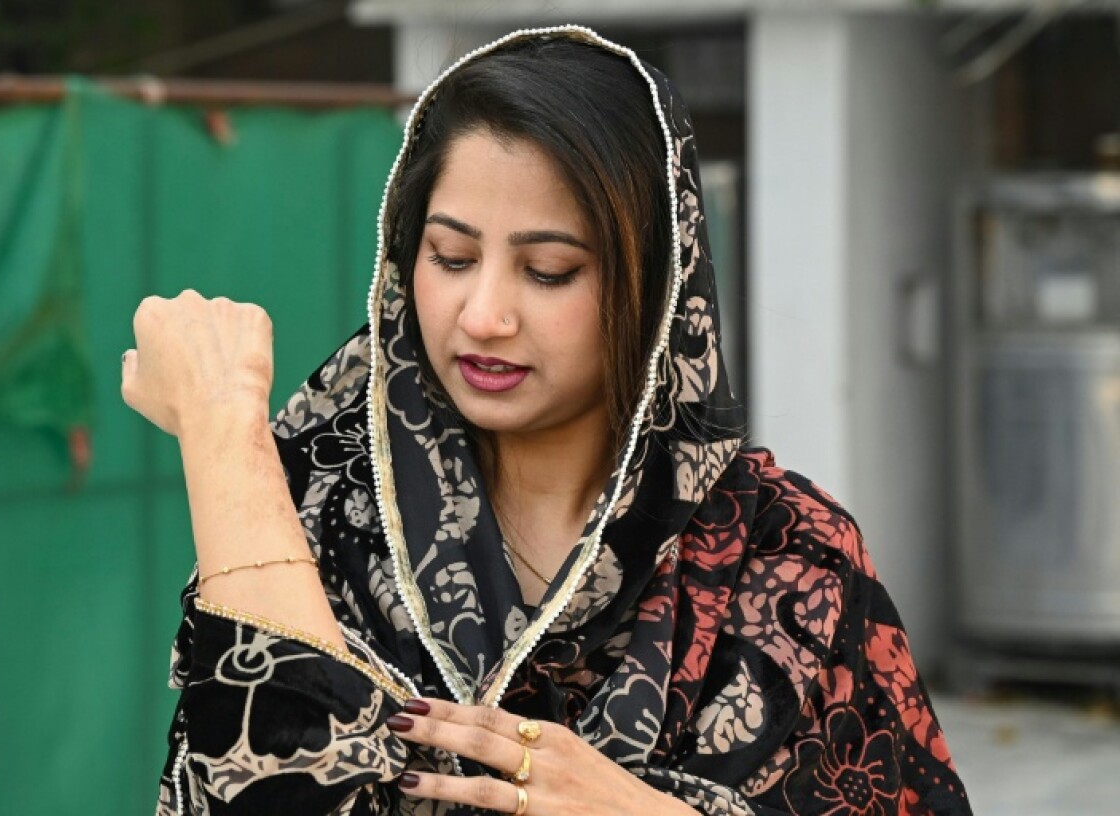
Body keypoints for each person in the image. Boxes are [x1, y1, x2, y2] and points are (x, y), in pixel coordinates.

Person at [121, 26, 972, 816]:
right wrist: (224, 424)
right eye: (450, 257)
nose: (484, 314)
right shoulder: (313, 502)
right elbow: (256, 786)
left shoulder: (785, 554)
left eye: (550, 270)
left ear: (654, 288)